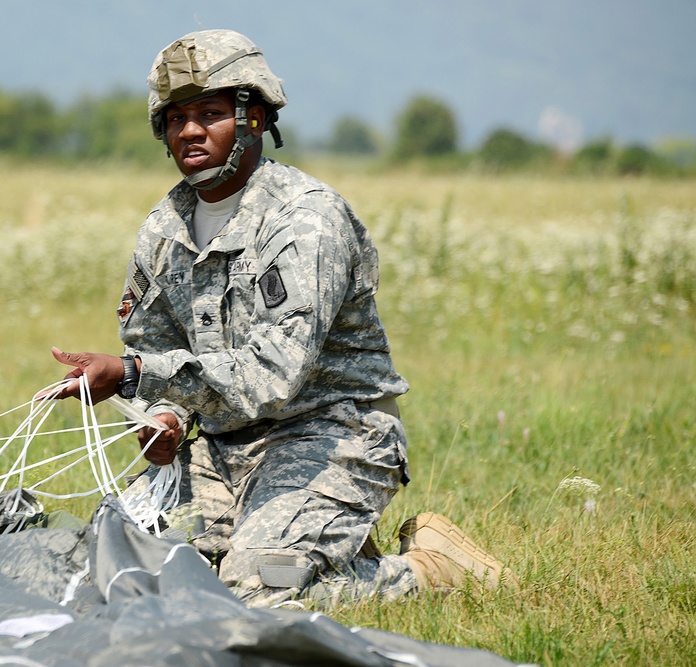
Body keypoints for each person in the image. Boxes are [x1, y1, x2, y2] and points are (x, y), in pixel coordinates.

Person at [47, 29, 514, 607]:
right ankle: (317, 544)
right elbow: (153, 342)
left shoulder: (306, 219)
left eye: (210, 113)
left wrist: (133, 373)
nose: (189, 131)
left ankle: (428, 571)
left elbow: (272, 373)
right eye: (175, 118)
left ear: (256, 119)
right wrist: (164, 417)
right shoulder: (164, 228)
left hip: (330, 436)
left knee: (253, 594)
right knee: (124, 571)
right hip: (220, 449)